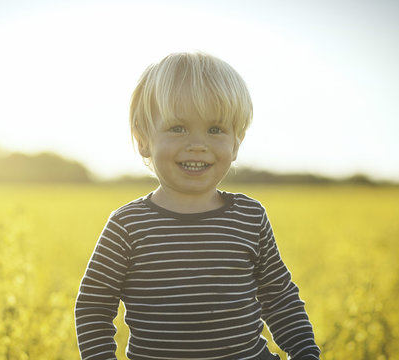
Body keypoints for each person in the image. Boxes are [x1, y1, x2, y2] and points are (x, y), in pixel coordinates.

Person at [75, 51, 321, 360]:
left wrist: (305, 353)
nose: (197, 144)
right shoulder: (127, 226)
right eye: (178, 128)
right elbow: (93, 309)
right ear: (143, 138)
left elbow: (279, 298)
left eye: (215, 129)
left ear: (237, 142)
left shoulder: (250, 216)